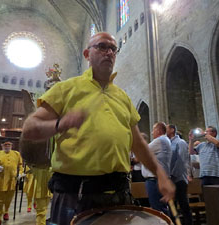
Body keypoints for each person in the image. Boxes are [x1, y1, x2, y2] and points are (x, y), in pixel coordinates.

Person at [22, 32, 175, 225]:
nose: (109, 52)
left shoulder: (122, 97)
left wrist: (160, 173)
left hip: (118, 193)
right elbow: (29, 128)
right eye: (102, 47)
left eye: (113, 49)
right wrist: (62, 124)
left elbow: (138, 144)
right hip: (75, 193)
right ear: (87, 54)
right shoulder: (66, 89)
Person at [0, 141, 24, 225]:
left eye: (9, 144)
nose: (7, 146)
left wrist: (20, 173)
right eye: (5, 144)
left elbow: (20, 165)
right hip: (0, 180)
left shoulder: (16, 154)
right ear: (2, 145)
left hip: (12, 181)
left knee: (8, 199)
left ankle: (6, 211)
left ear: (11, 145)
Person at [141, 122, 172, 216]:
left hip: (155, 180)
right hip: (157, 179)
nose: (151, 133)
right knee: (160, 209)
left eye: (153, 130)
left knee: (158, 211)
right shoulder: (164, 140)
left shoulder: (160, 140)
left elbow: (143, 151)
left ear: (158, 130)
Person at [167, 124, 192, 225]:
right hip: (170, 179)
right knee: (172, 207)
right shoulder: (168, 143)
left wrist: (172, 175)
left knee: (183, 205)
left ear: (172, 130)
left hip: (179, 179)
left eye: (167, 128)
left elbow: (181, 161)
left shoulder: (180, 142)